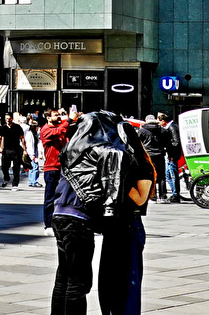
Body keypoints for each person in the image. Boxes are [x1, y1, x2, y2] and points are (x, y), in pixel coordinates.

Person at [49, 111, 154, 315]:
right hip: (79, 219)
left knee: (64, 276)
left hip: (59, 214)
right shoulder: (105, 152)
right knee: (78, 283)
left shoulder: (73, 151)